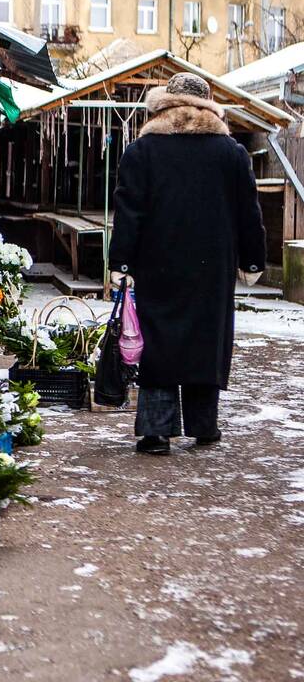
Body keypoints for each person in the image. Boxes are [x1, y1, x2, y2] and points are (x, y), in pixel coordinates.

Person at [108, 72, 266, 455]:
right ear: (209, 105)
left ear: (165, 102)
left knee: (159, 339)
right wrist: (253, 259)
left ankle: (156, 430)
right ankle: (204, 424)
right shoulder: (231, 153)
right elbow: (249, 212)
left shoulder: (142, 151)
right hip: (213, 266)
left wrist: (121, 263)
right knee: (205, 341)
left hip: (156, 262)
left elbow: (129, 211)